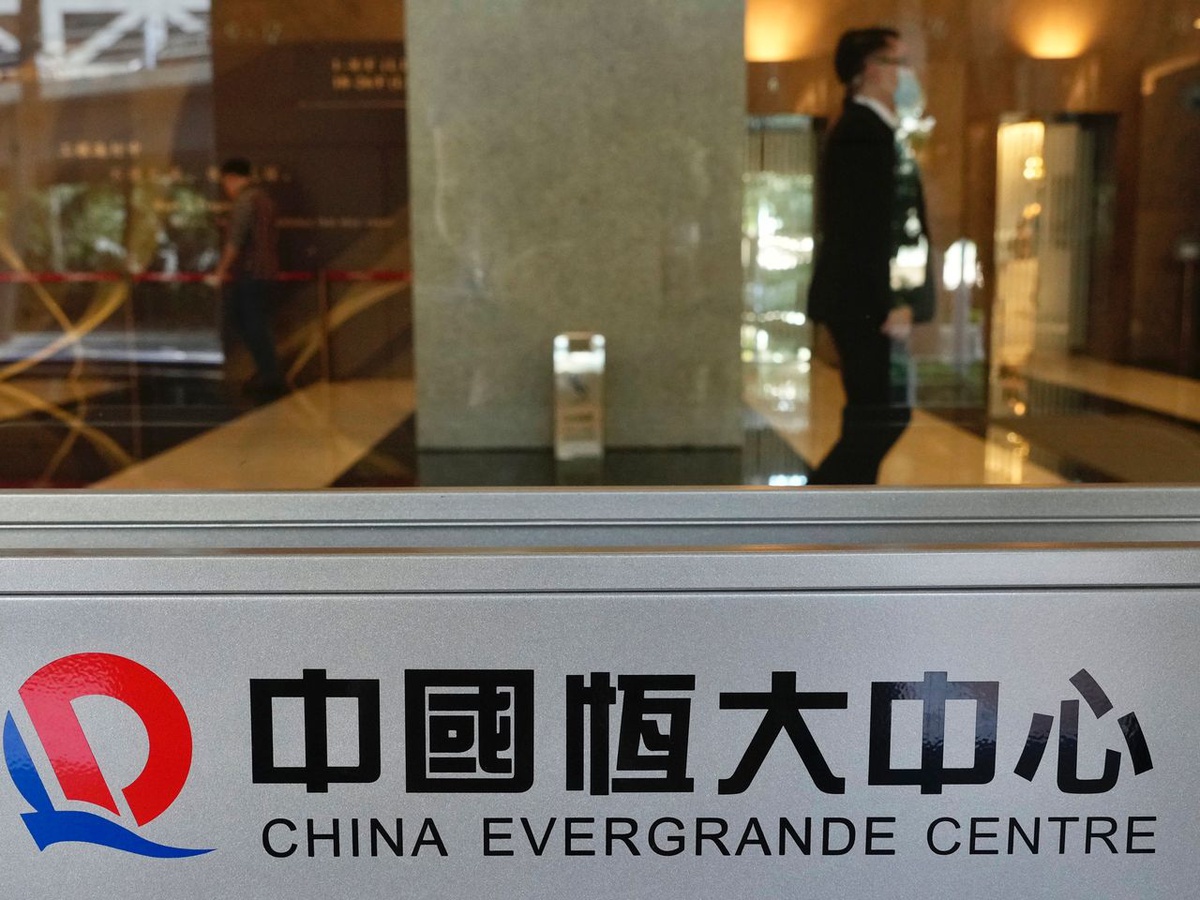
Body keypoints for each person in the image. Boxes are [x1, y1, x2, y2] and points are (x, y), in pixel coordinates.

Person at [806, 28, 934, 484]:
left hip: (866, 301)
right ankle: (813, 510)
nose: (907, 74)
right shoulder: (862, 134)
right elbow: (866, 232)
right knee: (881, 416)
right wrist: (892, 300)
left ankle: (844, 510)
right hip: (864, 303)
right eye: (899, 62)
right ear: (871, 70)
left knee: (875, 416)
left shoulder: (876, 131)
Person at [207, 157, 286, 398]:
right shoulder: (264, 200)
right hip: (267, 270)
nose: (225, 188)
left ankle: (269, 375)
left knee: (250, 323)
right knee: (255, 322)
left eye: (225, 182)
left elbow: (236, 242)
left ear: (232, 178)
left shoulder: (244, 201)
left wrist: (220, 271)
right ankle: (267, 372)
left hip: (251, 272)